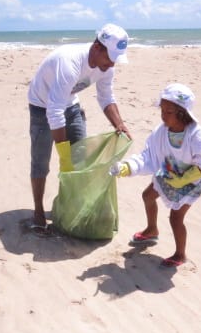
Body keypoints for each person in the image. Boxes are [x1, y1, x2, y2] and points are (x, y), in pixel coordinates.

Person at [28, 23, 132, 234]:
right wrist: (63, 153)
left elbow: (106, 97)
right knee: (41, 162)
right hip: (41, 106)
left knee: (81, 158)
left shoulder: (107, 67)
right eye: (110, 58)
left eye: (115, 59)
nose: (112, 64)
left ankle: (71, 208)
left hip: (71, 105)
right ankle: (38, 211)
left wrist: (119, 124)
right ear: (97, 47)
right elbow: (54, 111)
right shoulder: (70, 62)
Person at [109, 83, 201, 268]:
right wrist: (128, 167)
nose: (163, 115)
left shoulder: (196, 135)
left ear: (182, 113)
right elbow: (148, 157)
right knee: (148, 196)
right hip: (169, 172)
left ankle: (180, 254)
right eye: (162, 110)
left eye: (169, 112)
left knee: (176, 218)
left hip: (191, 181)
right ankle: (152, 230)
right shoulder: (161, 132)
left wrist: (183, 179)